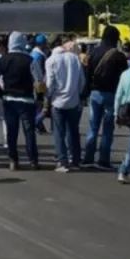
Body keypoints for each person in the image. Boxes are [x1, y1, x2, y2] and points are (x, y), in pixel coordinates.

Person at [0, 31, 42, 171]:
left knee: (12, 132)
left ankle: (13, 159)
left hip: (9, 99)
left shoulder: (3, 60)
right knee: (29, 132)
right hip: (27, 100)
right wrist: (40, 99)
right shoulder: (31, 60)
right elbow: (39, 81)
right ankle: (33, 160)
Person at [82, 25, 129, 169]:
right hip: (112, 94)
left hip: (95, 94)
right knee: (108, 128)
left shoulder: (94, 52)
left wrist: (87, 91)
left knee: (93, 126)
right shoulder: (119, 55)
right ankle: (104, 159)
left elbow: (87, 74)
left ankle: (88, 158)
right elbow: (124, 77)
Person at [45, 35, 86, 172]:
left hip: (58, 101)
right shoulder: (74, 58)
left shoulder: (51, 60)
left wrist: (48, 98)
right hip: (73, 100)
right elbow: (82, 81)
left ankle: (62, 161)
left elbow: (50, 84)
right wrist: (78, 94)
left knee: (59, 132)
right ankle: (75, 160)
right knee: (73, 131)